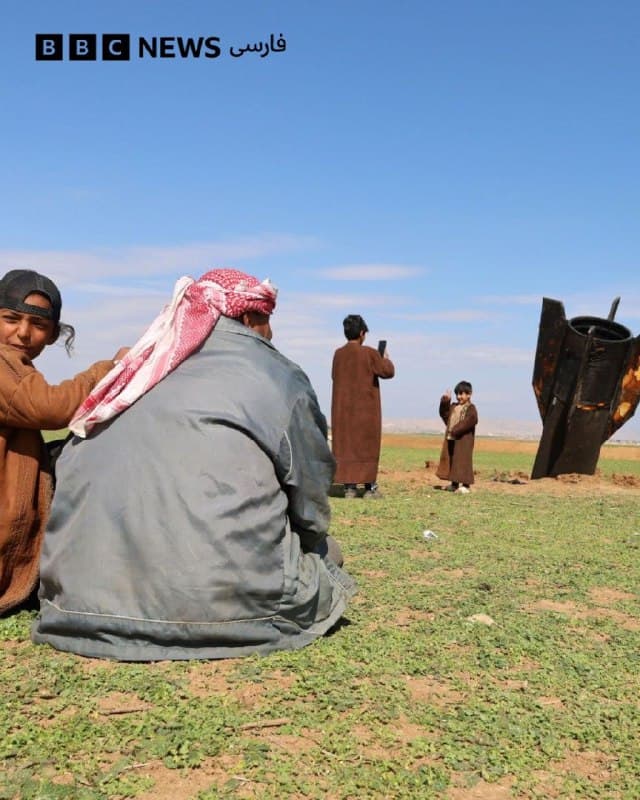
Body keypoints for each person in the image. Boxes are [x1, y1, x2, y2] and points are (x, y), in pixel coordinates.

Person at [33, 268, 356, 661]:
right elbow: (310, 491)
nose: (270, 335)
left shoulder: (135, 370)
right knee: (326, 551)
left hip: (76, 607)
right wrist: (311, 540)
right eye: (267, 322)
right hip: (235, 612)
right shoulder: (274, 372)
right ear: (251, 318)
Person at [0, 269, 127, 615]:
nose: (23, 333)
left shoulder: (18, 369)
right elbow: (51, 407)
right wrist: (110, 368)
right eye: (11, 319)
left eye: (38, 326)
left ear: (53, 334)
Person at [331, 314, 395, 499]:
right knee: (367, 447)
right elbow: (387, 372)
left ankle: (349, 487)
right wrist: (386, 358)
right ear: (362, 333)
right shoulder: (369, 353)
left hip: (343, 412)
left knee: (347, 447)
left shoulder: (338, 354)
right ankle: (369, 488)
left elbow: (335, 376)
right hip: (366, 413)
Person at [436, 380, 478, 493]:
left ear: (469, 394)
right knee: (453, 460)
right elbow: (444, 414)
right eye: (457, 394)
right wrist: (445, 401)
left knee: (463, 461)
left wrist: (456, 430)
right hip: (452, 438)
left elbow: (471, 420)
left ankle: (466, 485)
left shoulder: (471, 408)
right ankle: (454, 484)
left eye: (462, 394)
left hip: (464, 440)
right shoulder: (454, 407)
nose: (459, 397)